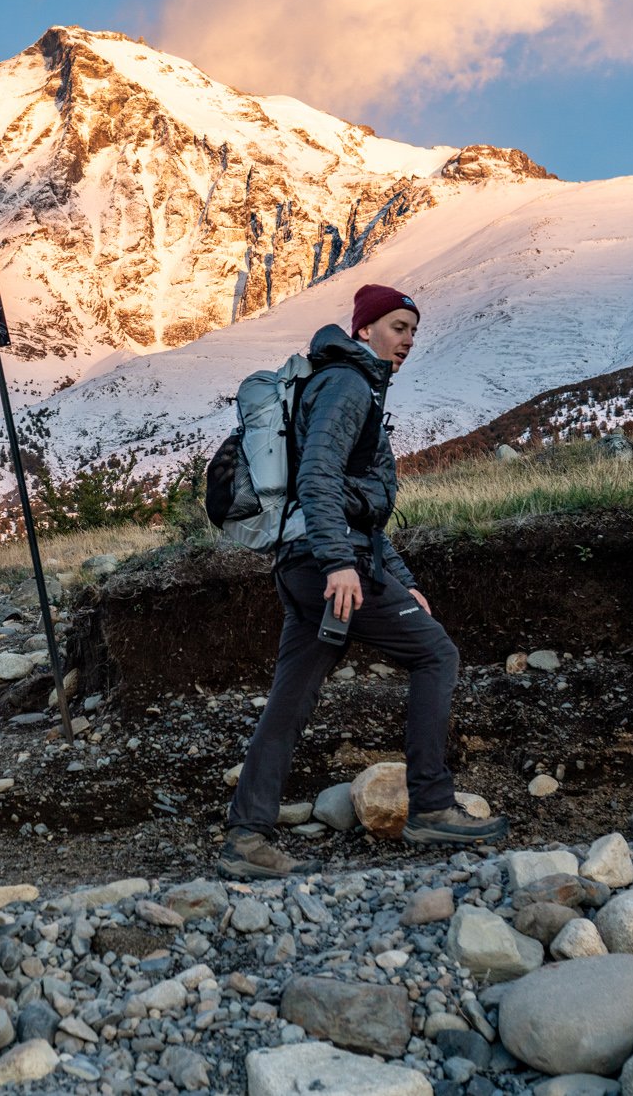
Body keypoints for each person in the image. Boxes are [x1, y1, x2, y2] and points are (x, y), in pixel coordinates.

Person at [220, 284, 509, 880]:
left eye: (413, 331)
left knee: (290, 700)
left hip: (306, 563)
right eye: (398, 327)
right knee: (436, 655)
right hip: (329, 566)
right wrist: (340, 564)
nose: (407, 341)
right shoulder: (349, 384)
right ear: (365, 330)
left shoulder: (344, 383)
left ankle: (247, 837)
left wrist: (399, 576)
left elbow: (361, 509)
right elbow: (319, 479)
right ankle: (431, 806)